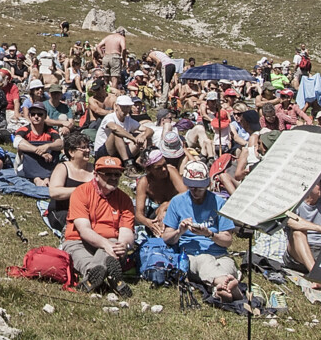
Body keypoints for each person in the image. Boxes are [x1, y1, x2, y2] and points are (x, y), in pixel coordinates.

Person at [162, 160, 246, 307]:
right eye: (191, 188)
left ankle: (221, 289)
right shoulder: (177, 202)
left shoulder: (218, 202)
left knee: (226, 265)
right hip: (192, 255)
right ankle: (231, 288)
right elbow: (167, 238)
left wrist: (209, 234)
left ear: (206, 185)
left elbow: (227, 240)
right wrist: (180, 231)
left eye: (199, 188)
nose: (195, 192)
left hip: (220, 254)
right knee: (205, 260)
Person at [61, 156, 135, 294]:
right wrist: (106, 245)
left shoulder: (125, 200)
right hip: (78, 241)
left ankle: (92, 280)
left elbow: (127, 231)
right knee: (84, 257)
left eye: (117, 174)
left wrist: (123, 246)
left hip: (112, 244)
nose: (113, 177)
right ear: (96, 175)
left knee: (114, 245)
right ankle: (108, 277)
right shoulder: (81, 192)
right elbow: (84, 230)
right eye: (108, 174)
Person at [285, 171, 321, 271]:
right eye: (320, 183)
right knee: (298, 233)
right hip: (297, 252)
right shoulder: (295, 203)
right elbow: (291, 222)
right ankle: (315, 274)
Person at [44, 133, 96, 237]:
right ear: (71, 152)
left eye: (88, 147)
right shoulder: (63, 168)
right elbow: (54, 192)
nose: (88, 150)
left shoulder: (95, 169)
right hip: (64, 210)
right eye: (83, 148)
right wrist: (82, 190)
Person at [93, 94, 149, 165]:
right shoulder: (109, 117)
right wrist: (133, 139)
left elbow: (149, 130)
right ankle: (127, 163)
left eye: (128, 107)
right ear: (116, 106)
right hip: (102, 151)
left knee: (146, 134)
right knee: (116, 134)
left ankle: (142, 160)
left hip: (119, 151)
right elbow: (115, 128)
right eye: (123, 107)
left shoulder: (128, 120)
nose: (125, 110)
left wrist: (143, 137)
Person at [15, 107, 66, 182]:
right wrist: (39, 152)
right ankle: (37, 179)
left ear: (45, 116)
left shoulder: (50, 130)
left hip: (47, 163)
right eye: (33, 114)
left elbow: (60, 143)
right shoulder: (24, 129)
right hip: (28, 163)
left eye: (39, 114)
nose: (36, 116)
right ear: (29, 116)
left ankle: (45, 178)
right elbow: (17, 142)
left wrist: (48, 146)